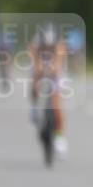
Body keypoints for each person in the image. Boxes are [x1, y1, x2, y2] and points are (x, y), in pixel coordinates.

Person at [29, 22, 69, 156]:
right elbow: (34, 60)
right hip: (41, 65)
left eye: (50, 46)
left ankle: (60, 137)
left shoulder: (60, 43)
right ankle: (34, 106)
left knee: (57, 105)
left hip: (55, 69)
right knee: (34, 78)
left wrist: (53, 68)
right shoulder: (37, 42)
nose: (48, 47)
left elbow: (58, 63)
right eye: (46, 45)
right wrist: (39, 68)